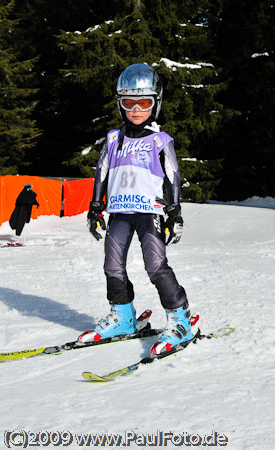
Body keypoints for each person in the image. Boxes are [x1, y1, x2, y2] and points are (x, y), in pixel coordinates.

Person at [78, 63, 193, 356]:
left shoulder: (160, 140)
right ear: (121, 104)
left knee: (155, 266)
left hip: (149, 212)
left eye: (144, 103)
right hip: (119, 212)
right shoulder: (114, 139)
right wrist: (95, 207)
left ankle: (180, 319)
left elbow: (173, 176)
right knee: (112, 265)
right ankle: (124, 317)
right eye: (130, 103)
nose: (137, 109)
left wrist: (175, 212)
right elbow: (101, 172)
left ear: (156, 104)